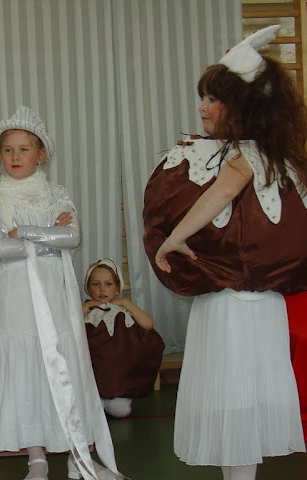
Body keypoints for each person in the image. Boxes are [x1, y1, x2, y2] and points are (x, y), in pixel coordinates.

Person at [144, 26, 306, 480]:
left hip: (232, 304)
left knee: (233, 399)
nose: (202, 107)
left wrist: (174, 239)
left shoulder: (247, 156)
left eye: (213, 99)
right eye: (203, 97)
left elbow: (218, 195)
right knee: (244, 402)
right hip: (261, 304)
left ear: (240, 107)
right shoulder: (281, 157)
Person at [0, 106, 121, 480]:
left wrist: (23, 232)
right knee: (26, 375)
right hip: (16, 298)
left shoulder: (57, 194)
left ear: (40, 154)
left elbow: (71, 236)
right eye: (8, 150)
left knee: (62, 368)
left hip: (54, 292)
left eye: (24, 149)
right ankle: (37, 459)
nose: (15, 157)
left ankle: (77, 453)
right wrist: (47, 236)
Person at [82, 259, 163, 418]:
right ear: (88, 288)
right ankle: (98, 400)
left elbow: (148, 325)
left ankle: (118, 398)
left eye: (108, 284)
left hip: (119, 378)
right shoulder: (87, 311)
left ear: (117, 287)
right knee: (89, 408)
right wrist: (83, 309)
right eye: (96, 284)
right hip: (94, 377)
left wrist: (126, 303)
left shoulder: (122, 309)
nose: (102, 289)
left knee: (120, 410)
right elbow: (68, 330)